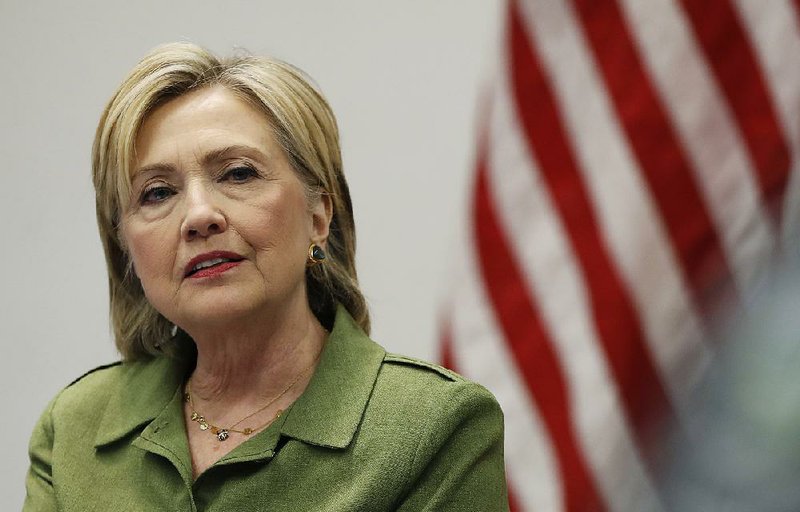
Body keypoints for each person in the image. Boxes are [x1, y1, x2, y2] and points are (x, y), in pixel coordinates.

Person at [22, 42, 508, 511]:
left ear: (319, 216)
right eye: (156, 193)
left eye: (237, 174)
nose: (199, 215)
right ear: (126, 248)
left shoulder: (435, 427)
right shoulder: (75, 428)